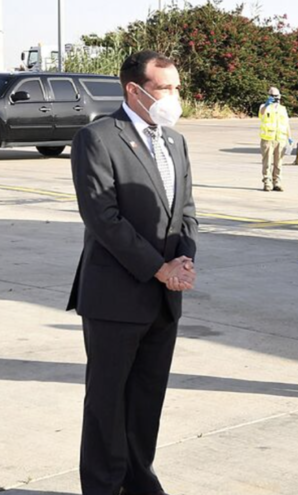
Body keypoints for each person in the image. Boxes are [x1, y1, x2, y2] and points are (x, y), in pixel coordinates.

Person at [67, 50, 199, 495]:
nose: (175, 96)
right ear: (134, 90)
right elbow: (103, 218)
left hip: (165, 297)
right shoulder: (98, 138)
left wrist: (184, 260)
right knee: (107, 402)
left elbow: (186, 211)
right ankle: (104, 486)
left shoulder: (175, 140)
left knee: (146, 401)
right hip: (115, 298)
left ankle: (139, 481)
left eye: (176, 87)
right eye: (166, 88)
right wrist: (159, 269)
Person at [259, 86, 291, 191]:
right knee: (267, 162)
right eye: (271, 95)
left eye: (276, 95)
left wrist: (289, 137)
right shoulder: (264, 106)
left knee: (278, 163)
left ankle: (277, 182)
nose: (274, 98)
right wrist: (267, 104)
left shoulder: (283, 109)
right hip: (267, 139)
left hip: (280, 139)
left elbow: (286, 124)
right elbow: (261, 114)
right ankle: (267, 182)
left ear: (280, 96)